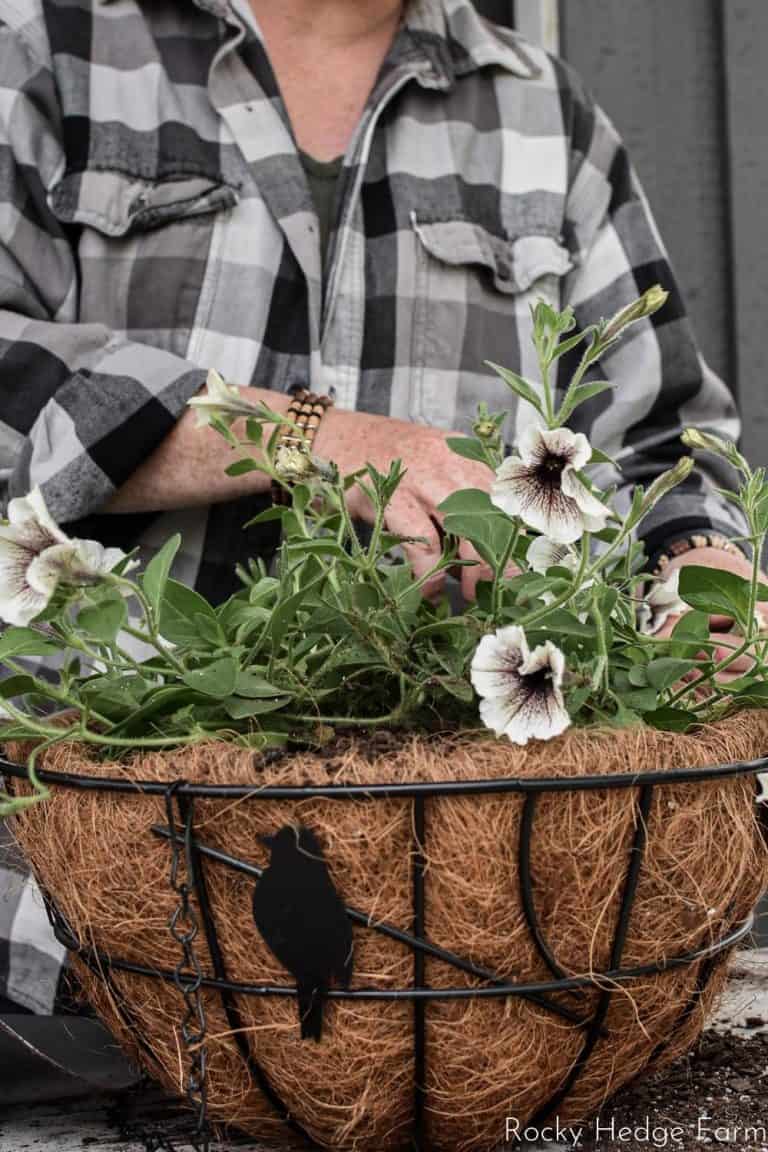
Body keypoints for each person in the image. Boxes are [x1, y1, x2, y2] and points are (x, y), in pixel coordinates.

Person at [0, 0, 759, 1079]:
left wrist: (707, 580)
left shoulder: (545, 112)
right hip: (75, 952)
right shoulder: (55, 54)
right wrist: (316, 437)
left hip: (457, 980)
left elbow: (663, 443)